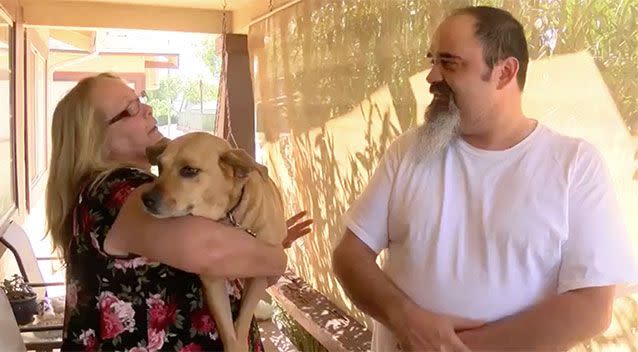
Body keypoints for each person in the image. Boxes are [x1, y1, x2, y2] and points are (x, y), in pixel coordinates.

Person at [332, 6, 638, 352]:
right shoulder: (408, 152)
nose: (431, 76)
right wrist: (406, 319)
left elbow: (591, 306)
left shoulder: (574, 165)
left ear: (505, 72)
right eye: (433, 61)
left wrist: (453, 348)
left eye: (449, 63)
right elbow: (349, 257)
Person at [45, 72, 313, 351]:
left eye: (141, 100)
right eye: (131, 109)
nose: (147, 110)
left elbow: (231, 269)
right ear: (96, 138)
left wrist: (258, 242)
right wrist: (274, 255)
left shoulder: (118, 193)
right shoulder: (116, 191)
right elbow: (212, 250)